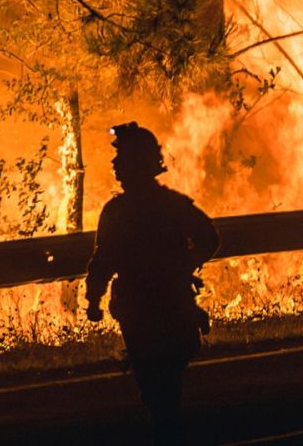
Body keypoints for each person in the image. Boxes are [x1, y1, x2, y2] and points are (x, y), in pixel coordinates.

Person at [85, 121, 220, 444]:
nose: (115, 165)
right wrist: (186, 266)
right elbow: (209, 237)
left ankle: (166, 426)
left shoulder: (119, 211)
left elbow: (103, 261)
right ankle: (167, 424)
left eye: (122, 159)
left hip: (149, 305)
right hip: (160, 302)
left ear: (136, 163)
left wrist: (93, 300)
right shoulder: (168, 206)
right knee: (162, 377)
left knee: (155, 375)